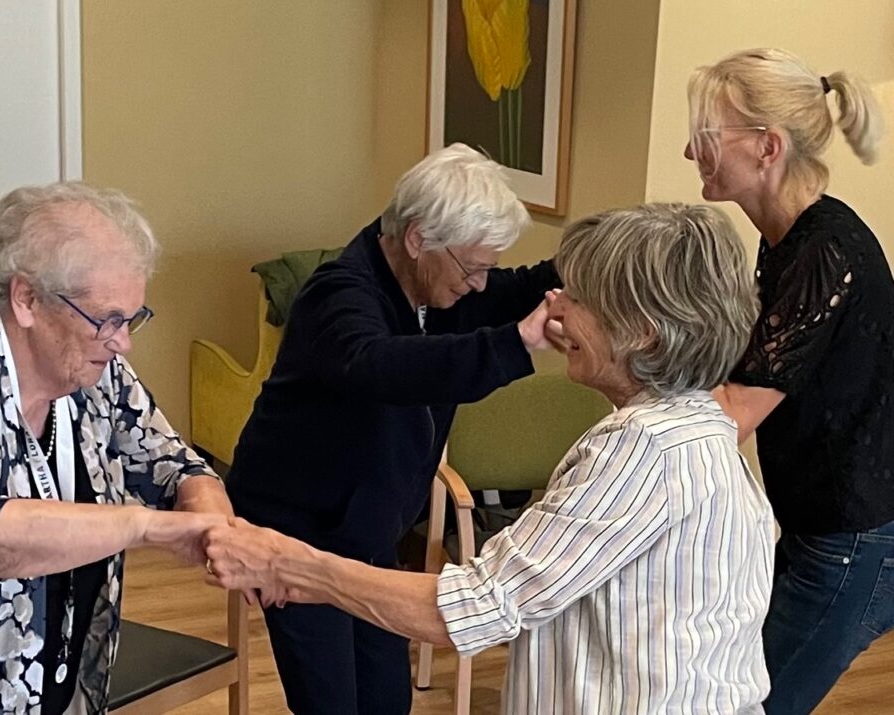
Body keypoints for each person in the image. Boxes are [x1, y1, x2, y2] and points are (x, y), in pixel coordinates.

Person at [208, 203, 776, 714]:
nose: (555, 305)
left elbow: (475, 606)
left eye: (578, 298)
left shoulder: (644, 451)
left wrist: (292, 565)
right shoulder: (704, 429)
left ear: (643, 337)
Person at [0, 183, 237, 714]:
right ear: (27, 300)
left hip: (59, 676)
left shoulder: (95, 368)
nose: (123, 341)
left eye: (131, 318)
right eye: (107, 319)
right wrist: (141, 527)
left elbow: (172, 464)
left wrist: (212, 522)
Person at [223, 143, 561, 714]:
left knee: (386, 700)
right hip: (296, 535)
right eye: (472, 268)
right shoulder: (339, 294)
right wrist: (516, 343)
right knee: (332, 704)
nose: (481, 285)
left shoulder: (439, 289)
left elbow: (522, 286)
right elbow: (382, 366)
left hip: (368, 535)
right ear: (417, 239)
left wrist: (597, 253)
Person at [684, 48, 893, 714]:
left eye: (705, 136)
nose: (690, 152)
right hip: (819, 527)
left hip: (851, 539)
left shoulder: (824, 251)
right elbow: (746, 371)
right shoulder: (786, 241)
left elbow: (737, 410)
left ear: (767, 147)